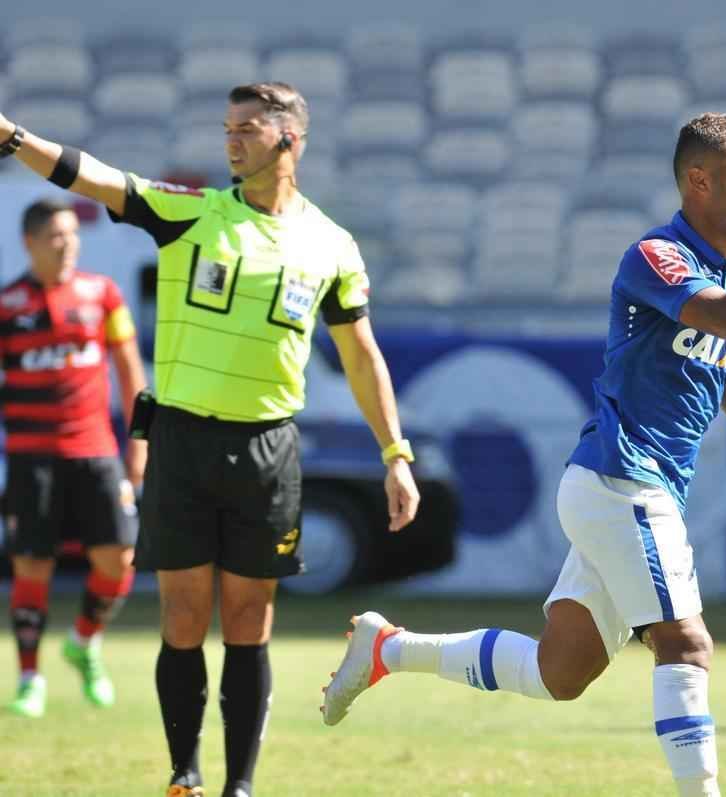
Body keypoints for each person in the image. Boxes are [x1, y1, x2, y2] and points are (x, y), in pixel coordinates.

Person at [321, 112, 726, 796]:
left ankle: (388, 649)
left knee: (558, 674)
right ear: (697, 179)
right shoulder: (657, 255)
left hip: (631, 492)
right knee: (687, 643)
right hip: (623, 481)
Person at [0, 82, 421, 797]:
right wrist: (12, 137)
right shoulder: (190, 212)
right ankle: (184, 775)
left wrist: (396, 455)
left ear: (289, 140)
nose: (231, 140)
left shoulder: (331, 244)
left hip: (268, 449)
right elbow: (93, 173)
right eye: (227, 127)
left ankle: (241, 785)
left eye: (248, 129)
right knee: (185, 613)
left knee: (250, 619)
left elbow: (361, 356)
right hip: (184, 442)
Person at [2, 199, 147, 718]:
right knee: (32, 566)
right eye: (55, 236)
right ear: (30, 243)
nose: (67, 244)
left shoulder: (102, 295)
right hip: (30, 457)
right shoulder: (7, 304)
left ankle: (84, 642)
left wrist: (140, 444)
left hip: (96, 453)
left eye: (71, 234)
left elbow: (132, 374)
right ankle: (29, 680)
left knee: (120, 560)